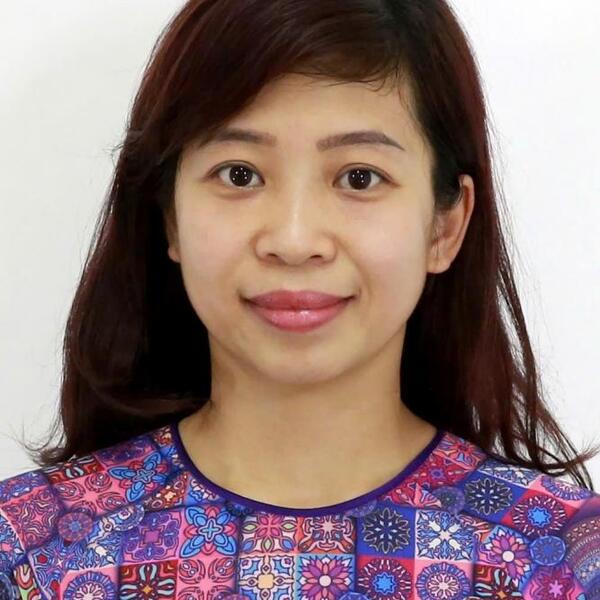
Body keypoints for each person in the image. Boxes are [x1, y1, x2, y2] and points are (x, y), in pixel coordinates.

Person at [1, 0, 599, 598]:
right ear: (171, 218)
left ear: (445, 227)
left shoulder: (565, 563)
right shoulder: (28, 552)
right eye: (239, 174)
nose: (293, 240)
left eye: (359, 177)